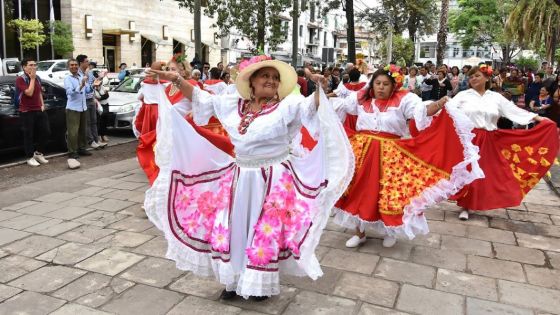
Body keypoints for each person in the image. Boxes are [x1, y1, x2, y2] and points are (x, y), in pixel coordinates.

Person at [143, 55, 353, 299]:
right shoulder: (233, 104)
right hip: (240, 176)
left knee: (263, 231)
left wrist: (320, 87)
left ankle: (258, 284)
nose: (271, 81)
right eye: (265, 76)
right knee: (234, 227)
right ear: (251, 81)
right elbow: (202, 99)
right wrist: (177, 79)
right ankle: (234, 280)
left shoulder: (288, 104)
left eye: (275, 78)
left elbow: (311, 106)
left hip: (273, 179)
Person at [330, 64, 482, 248]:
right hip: (361, 152)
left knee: (389, 193)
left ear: (394, 85)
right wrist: (323, 92)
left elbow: (422, 112)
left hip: (390, 155)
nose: (380, 87)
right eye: (377, 83)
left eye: (385, 84)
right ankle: (359, 232)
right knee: (356, 191)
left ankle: (390, 230)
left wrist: (440, 103)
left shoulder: (405, 100)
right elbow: (339, 107)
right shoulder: (362, 99)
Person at [449, 65, 559, 220]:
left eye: (477, 76)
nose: (473, 78)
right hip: (469, 139)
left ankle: (478, 202)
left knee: (487, 172)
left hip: (490, 139)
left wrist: (539, 118)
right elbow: (447, 110)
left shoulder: (496, 97)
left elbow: (514, 111)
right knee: (469, 171)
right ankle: (465, 205)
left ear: (487, 78)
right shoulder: (463, 95)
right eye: (471, 76)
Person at [16, 58, 50, 167]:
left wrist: (42, 105)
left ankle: (38, 153)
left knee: (46, 131)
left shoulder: (38, 78)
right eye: (31, 65)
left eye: (35, 65)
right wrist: (32, 79)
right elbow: (29, 93)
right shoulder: (20, 79)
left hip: (38, 109)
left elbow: (39, 92)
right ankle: (29, 157)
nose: (33, 67)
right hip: (26, 110)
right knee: (29, 135)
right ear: (24, 67)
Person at [64, 59, 92, 169]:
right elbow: (70, 93)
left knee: (82, 130)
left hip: (83, 107)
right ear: (68, 67)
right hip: (73, 108)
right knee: (73, 131)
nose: (74, 66)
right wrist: (81, 85)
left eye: (75, 64)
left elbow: (88, 90)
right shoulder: (68, 79)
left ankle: (81, 148)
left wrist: (94, 85)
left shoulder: (81, 76)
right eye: (72, 65)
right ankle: (72, 152)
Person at [77, 54, 106, 150]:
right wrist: (93, 85)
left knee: (94, 121)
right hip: (84, 100)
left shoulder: (89, 72)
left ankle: (96, 140)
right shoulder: (78, 73)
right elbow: (83, 87)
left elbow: (95, 82)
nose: (88, 63)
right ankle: (91, 141)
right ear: (81, 63)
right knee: (88, 122)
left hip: (91, 98)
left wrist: (100, 78)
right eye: (86, 61)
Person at [93, 70, 110, 143]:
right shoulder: (93, 90)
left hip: (105, 105)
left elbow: (106, 95)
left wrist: (101, 97)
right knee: (99, 121)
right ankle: (99, 135)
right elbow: (97, 97)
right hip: (99, 107)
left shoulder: (103, 87)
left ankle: (104, 134)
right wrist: (101, 97)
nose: (98, 83)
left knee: (105, 120)